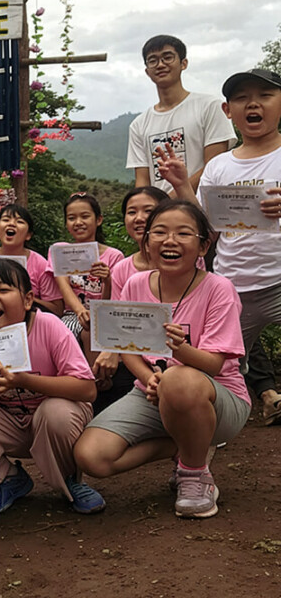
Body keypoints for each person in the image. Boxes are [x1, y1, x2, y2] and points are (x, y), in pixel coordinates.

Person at [74, 201, 249, 518]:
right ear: (146, 242)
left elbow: (214, 365)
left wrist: (177, 350)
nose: (170, 241)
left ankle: (194, 474)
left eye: (183, 233)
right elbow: (128, 348)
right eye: (160, 232)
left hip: (217, 398)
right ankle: (185, 446)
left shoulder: (218, 289)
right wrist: (149, 378)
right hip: (152, 393)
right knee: (91, 457)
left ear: (203, 246)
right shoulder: (136, 284)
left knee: (179, 380)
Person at [155, 68, 281, 423]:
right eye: (241, 98)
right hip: (230, 286)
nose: (253, 104)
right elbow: (207, 228)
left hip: (278, 282)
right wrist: (183, 186)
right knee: (216, 367)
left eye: (265, 96)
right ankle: (207, 434)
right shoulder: (219, 165)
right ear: (228, 110)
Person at [0, 259, 102, 517]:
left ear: (28, 299)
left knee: (56, 412)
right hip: (9, 422)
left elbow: (87, 390)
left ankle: (70, 480)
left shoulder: (49, 326)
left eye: (3, 289)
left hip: (54, 422)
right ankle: (6, 479)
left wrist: (24, 380)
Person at [93, 187, 170, 412]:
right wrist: (111, 350)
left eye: (148, 211)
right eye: (131, 212)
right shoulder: (121, 268)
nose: (139, 218)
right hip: (135, 354)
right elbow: (118, 321)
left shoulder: (182, 261)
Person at [126, 34, 234, 193]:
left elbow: (214, 166)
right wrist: (146, 205)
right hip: (159, 208)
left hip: (202, 205)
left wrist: (170, 200)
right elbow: (142, 179)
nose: (160, 64)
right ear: (147, 71)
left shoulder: (210, 106)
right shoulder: (139, 125)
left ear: (183, 63)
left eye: (167, 57)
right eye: (153, 60)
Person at [49, 193, 124, 365]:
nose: (78, 222)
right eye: (71, 218)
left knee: (93, 329)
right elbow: (63, 286)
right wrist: (80, 311)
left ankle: (97, 376)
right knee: (63, 330)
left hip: (103, 315)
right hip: (71, 314)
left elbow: (111, 302)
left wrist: (107, 280)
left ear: (98, 220)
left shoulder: (114, 256)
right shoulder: (60, 250)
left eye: (85, 216)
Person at [0, 204, 62, 315]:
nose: (11, 224)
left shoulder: (40, 264)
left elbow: (57, 310)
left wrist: (26, 298)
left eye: (19, 221)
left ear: (28, 235)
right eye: (6, 220)